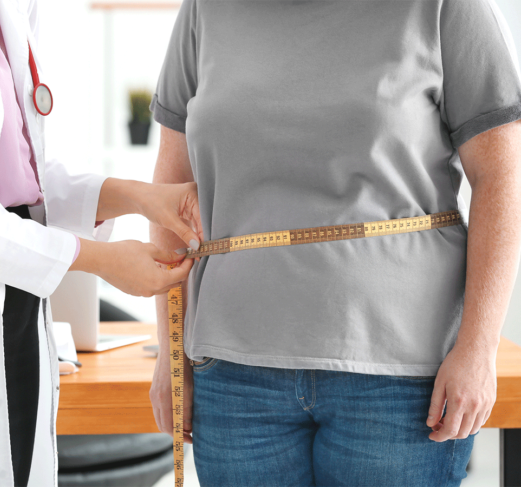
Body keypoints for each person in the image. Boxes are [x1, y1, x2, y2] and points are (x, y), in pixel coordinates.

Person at [149, 0, 521, 485]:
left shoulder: (445, 7)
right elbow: (170, 191)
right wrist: (168, 351)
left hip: (400, 378)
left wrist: (478, 351)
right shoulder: (205, 9)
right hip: (233, 374)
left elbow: (501, 177)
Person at [0, 0, 201, 485]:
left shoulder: (11, 8)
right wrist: (101, 260)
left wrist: (140, 197)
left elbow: (24, 180)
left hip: (18, 306)